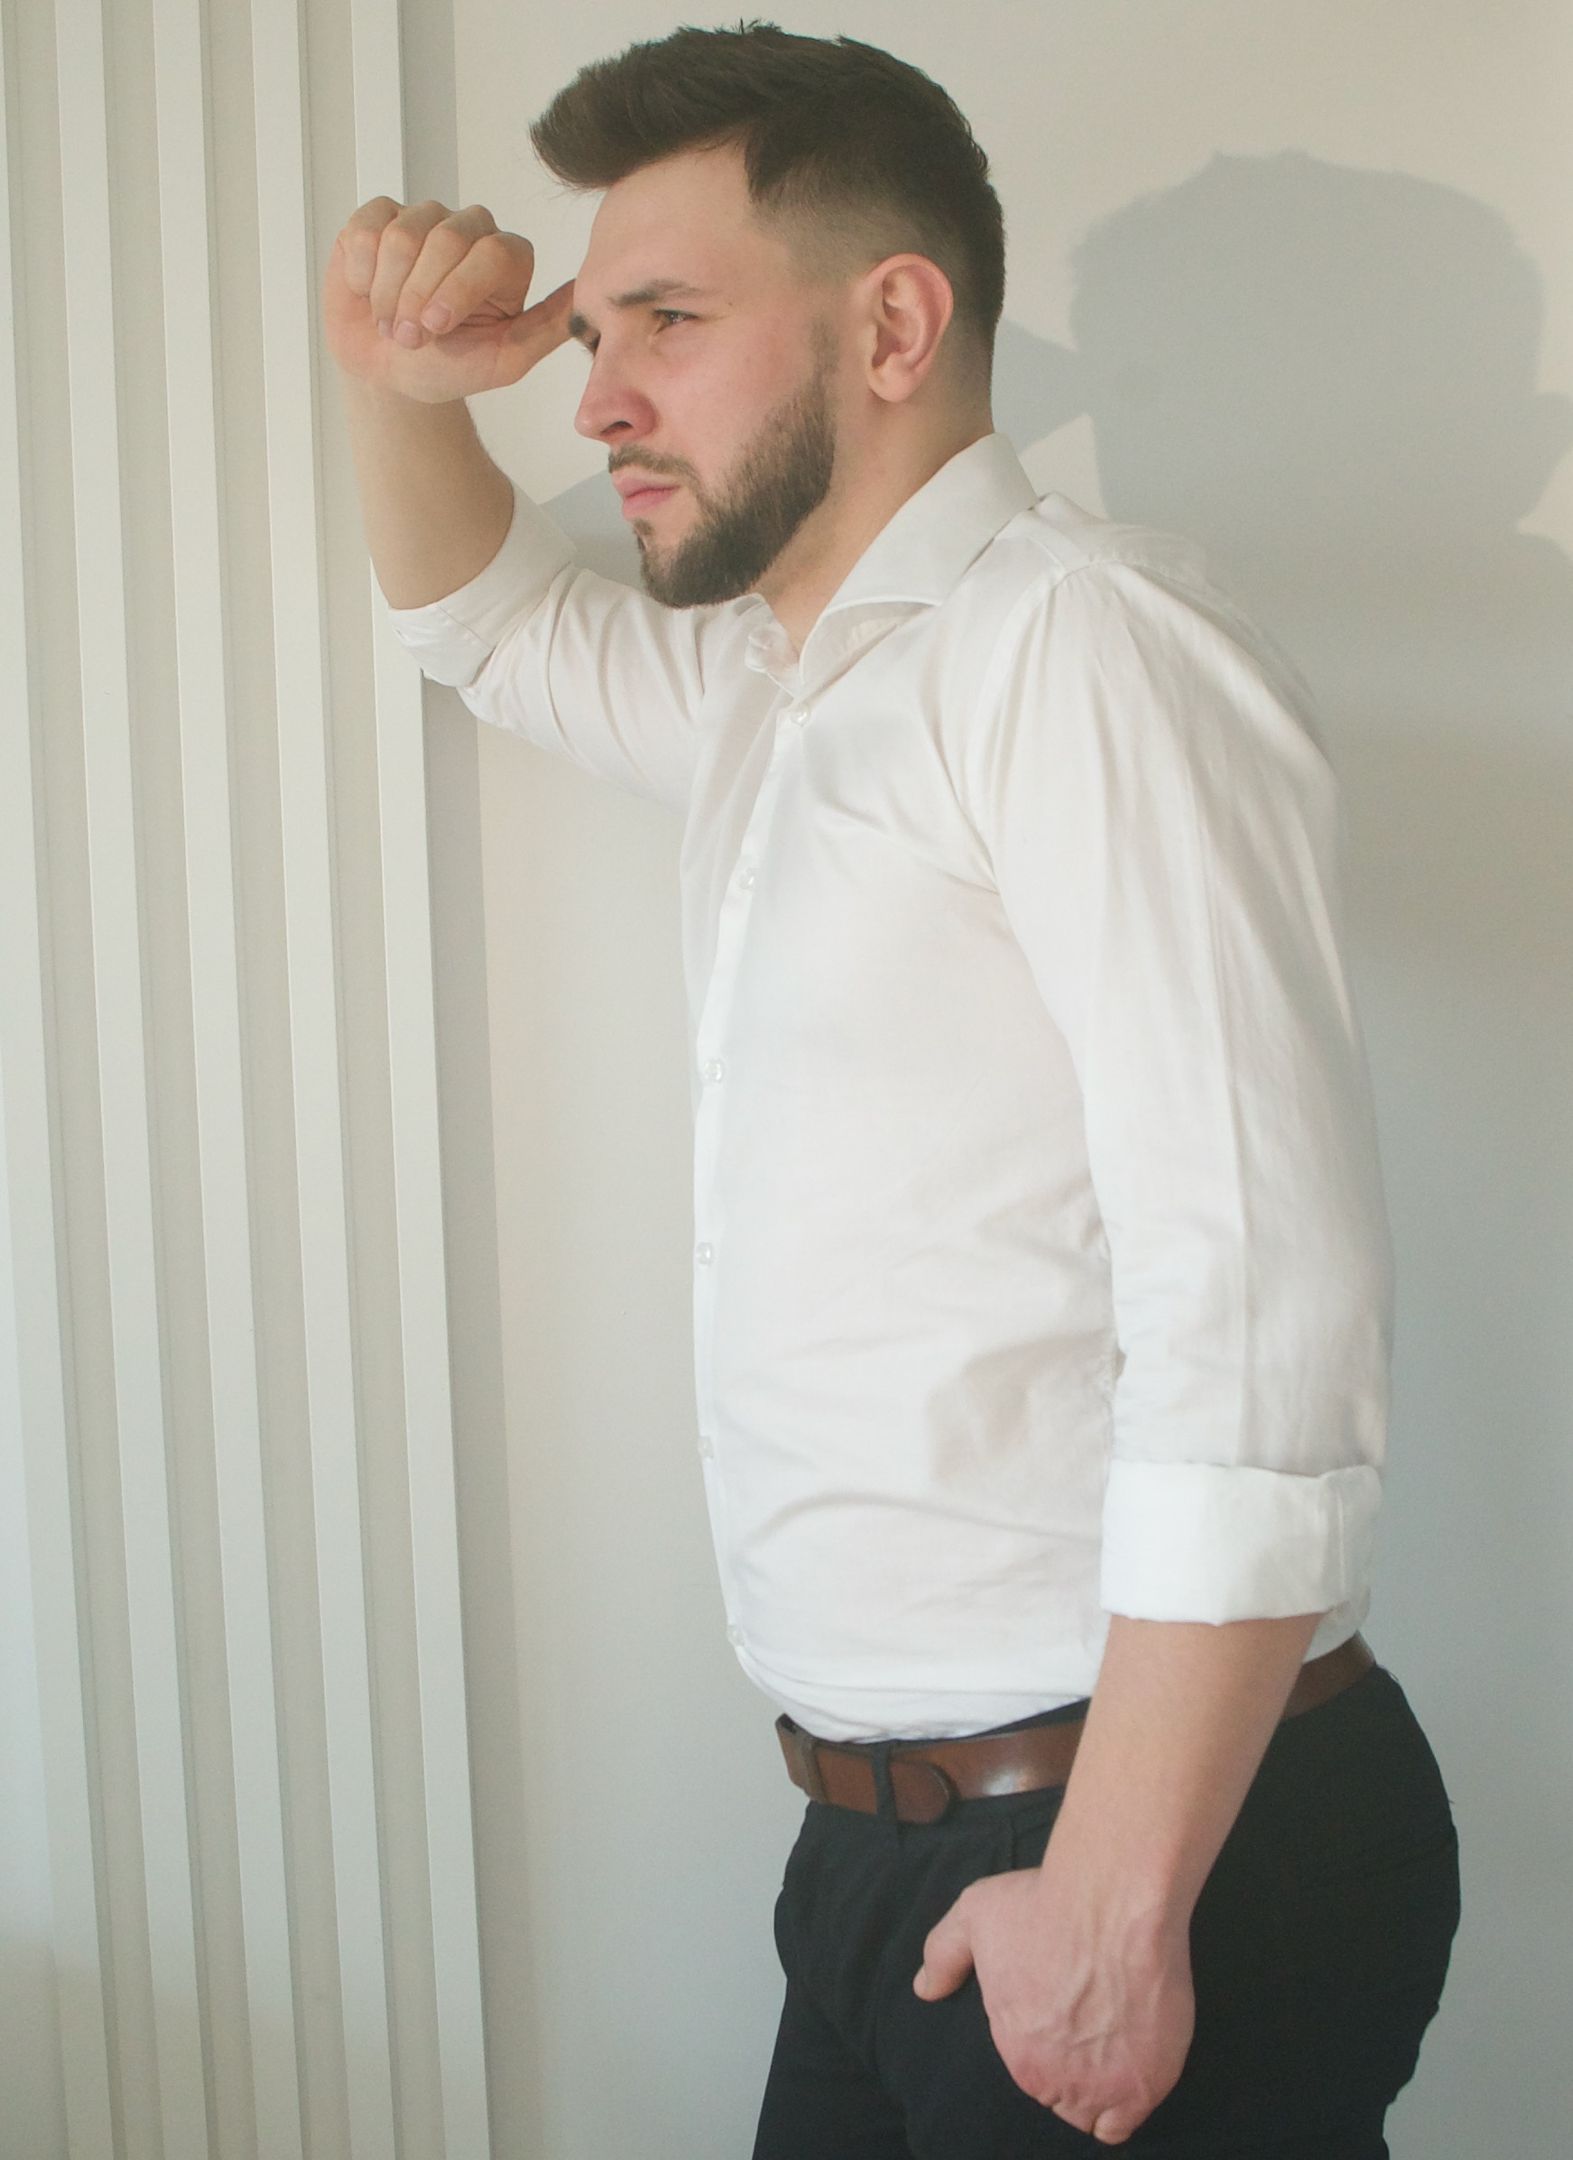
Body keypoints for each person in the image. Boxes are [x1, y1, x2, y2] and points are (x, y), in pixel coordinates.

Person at [326, 23, 1461, 2157]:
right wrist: (400, 382)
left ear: (893, 326)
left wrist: (1113, 1899)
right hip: (896, 1853)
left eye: (664, 322)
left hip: (1128, 1845)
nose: (597, 398)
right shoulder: (787, 697)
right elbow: (483, 623)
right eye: (592, 333)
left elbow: (1261, 1293)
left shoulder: (1075, 648)